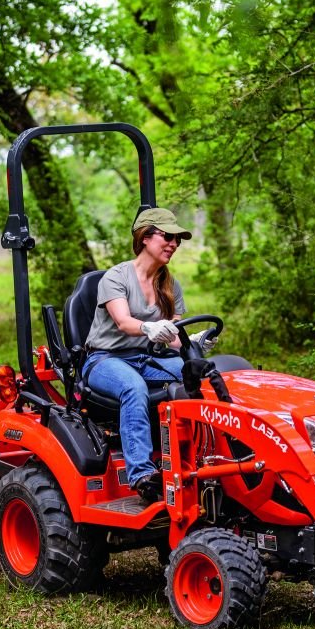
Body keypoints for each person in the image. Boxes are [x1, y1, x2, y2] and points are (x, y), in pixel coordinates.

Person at [82, 207, 212, 504]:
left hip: (148, 358)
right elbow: (124, 323)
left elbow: (174, 336)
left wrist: (194, 342)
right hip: (105, 359)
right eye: (167, 236)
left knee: (196, 376)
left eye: (177, 240)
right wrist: (149, 327)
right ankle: (141, 474)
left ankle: (204, 458)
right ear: (144, 237)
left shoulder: (169, 285)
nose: (174, 244)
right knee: (133, 387)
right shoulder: (116, 277)